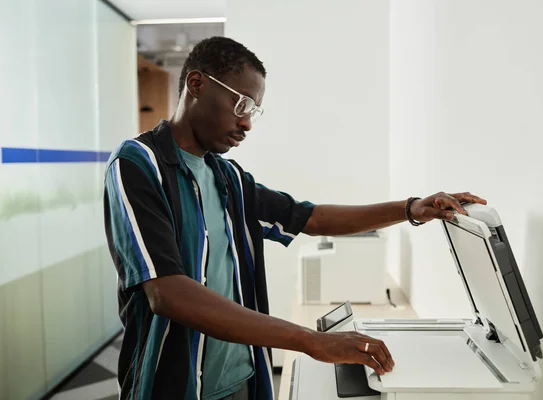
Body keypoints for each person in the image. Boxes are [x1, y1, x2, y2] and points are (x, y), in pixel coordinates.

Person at [103, 36, 487, 400]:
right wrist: (312, 341)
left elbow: (312, 217)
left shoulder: (228, 179)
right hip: (173, 386)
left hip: (241, 379)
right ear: (198, 83)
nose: (247, 123)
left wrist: (410, 208)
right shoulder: (138, 165)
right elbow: (167, 293)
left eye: (253, 111)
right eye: (241, 105)